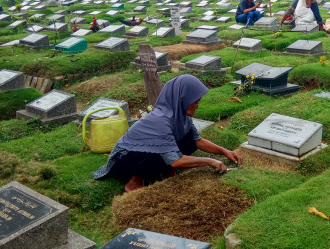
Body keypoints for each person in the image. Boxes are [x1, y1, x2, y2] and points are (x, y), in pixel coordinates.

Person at [92, 75, 243, 193]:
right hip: (125, 161)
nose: (197, 106)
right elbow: (176, 160)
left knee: (187, 141)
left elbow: (197, 141)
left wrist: (224, 151)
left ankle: (167, 173)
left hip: (145, 156)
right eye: (195, 102)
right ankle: (133, 183)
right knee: (158, 148)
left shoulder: (181, 115)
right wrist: (210, 161)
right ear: (182, 99)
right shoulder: (160, 120)